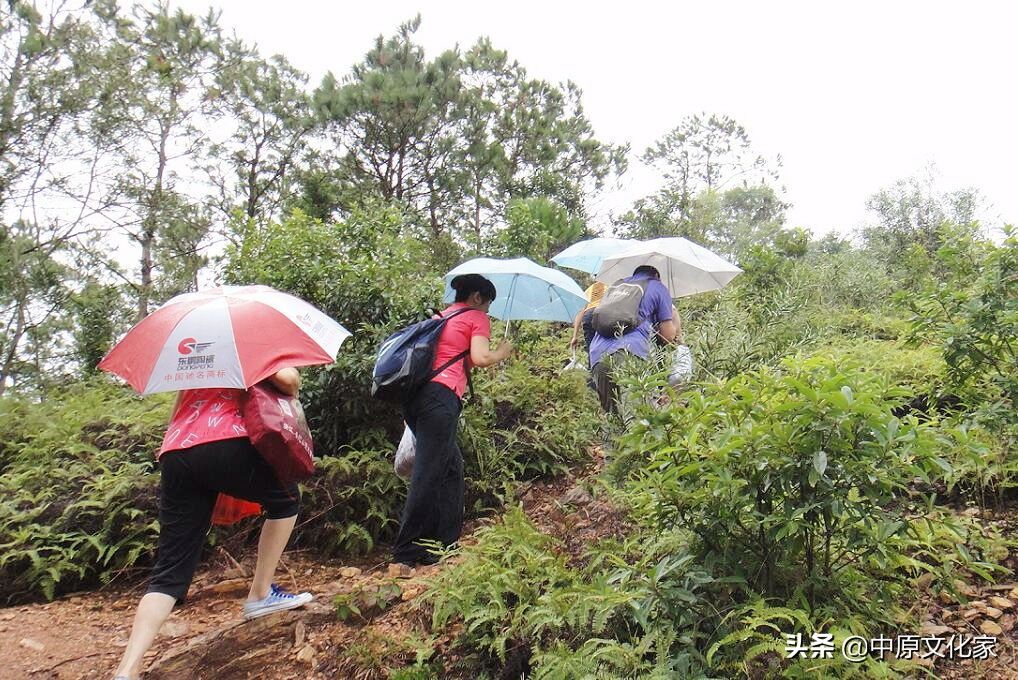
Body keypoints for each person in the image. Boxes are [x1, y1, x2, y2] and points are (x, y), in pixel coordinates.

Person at [112, 368, 310, 680]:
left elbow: (179, 407)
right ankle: (260, 594)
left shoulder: (197, 359)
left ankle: (127, 670)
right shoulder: (248, 341)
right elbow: (287, 378)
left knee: (168, 574)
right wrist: (293, 380)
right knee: (287, 500)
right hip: (226, 438)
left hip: (177, 451)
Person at [393, 274, 512, 567]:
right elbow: (482, 357)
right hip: (440, 399)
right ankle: (406, 552)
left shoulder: (443, 317)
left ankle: (443, 545)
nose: (487, 312)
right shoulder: (474, 317)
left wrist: (481, 357)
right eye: (487, 304)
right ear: (476, 297)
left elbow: (464, 357)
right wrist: (500, 353)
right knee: (428, 473)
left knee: (451, 469)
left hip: (418, 397)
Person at [588, 265, 676, 418]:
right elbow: (667, 337)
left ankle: (612, 442)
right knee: (639, 419)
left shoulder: (616, 287)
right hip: (630, 353)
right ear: (656, 275)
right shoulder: (658, 287)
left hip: (597, 354)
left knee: (613, 418)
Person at [569, 281, 608, 359]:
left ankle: (592, 369)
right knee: (606, 346)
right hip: (603, 313)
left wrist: (575, 336)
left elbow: (580, 312)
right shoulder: (610, 286)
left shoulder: (588, 290)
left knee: (591, 348)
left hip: (588, 316)